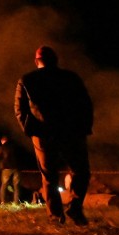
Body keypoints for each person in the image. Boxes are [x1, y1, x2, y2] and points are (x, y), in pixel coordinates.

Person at [14, 45, 93, 225]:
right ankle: (74, 206)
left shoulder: (27, 80)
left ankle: (56, 217)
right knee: (81, 171)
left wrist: (32, 130)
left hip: (44, 134)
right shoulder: (71, 78)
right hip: (71, 132)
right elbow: (85, 104)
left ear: (36, 61)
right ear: (55, 60)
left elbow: (20, 110)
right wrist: (84, 127)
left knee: (49, 177)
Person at [0, 135, 21, 204]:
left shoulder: (2, 147)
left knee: (4, 185)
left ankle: (3, 202)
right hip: (16, 168)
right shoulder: (14, 146)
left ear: (2, 141)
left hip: (6, 168)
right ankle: (16, 202)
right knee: (16, 186)